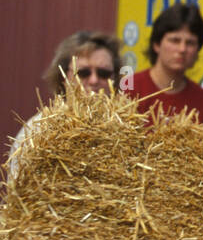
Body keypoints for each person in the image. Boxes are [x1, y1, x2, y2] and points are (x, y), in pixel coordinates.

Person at [8, 30, 121, 173]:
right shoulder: (37, 130)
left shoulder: (125, 128)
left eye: (103, 73)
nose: (94, 80)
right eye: (83, 73)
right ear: (63, 77)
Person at [130, 3, 203, 122]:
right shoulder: (130, 88)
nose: (182, 49)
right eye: (175, 40)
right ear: (157, 44)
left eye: (190, 43)